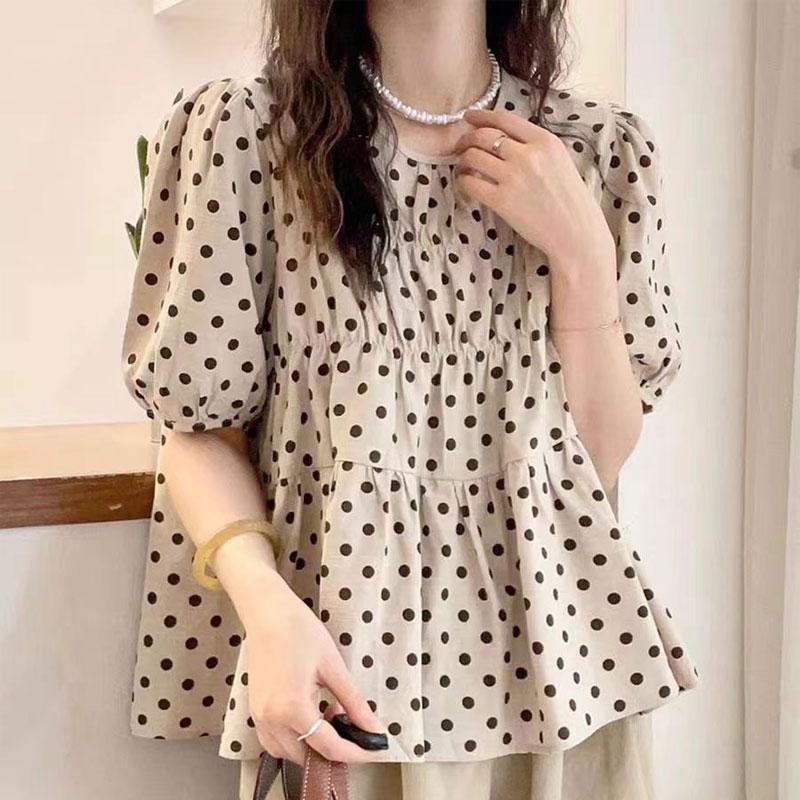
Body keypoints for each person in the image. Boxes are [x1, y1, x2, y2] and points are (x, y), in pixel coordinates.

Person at [120, 1, 699, 798]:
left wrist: (583, 258)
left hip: (558, 682)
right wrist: (269, 612)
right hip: (340, 674)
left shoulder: (598, 152)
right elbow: (197, 425)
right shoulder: (248, 136)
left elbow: (593, 462)